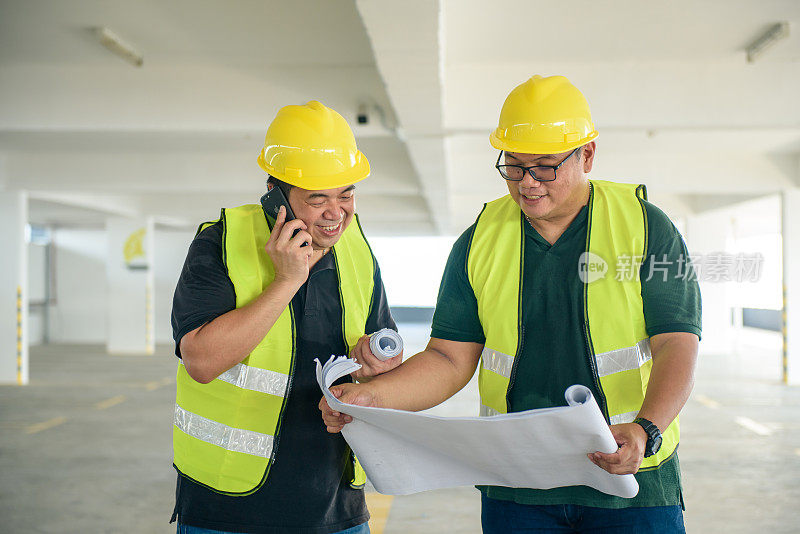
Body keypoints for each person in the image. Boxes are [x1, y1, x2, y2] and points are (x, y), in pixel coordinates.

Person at [320, 75, 701, 533]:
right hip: (518, 485)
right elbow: (448, 358)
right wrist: (370, 397)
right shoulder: (479, 240)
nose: (528, 183)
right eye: (515, 167)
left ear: (588, 155)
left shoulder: (645, 226)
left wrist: (647, 429)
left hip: (631, 482)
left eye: (544, 166)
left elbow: (677, 343)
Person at [170, 100, 401, 533]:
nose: (337, 213)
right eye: (318, 199)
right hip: (227, 509)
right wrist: (285, 282)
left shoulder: (358, 251)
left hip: (338, 507)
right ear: (276, 194)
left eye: (346, 194)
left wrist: (378, 370)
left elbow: (381, 359)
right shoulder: (221, 243)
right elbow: (201, 361)